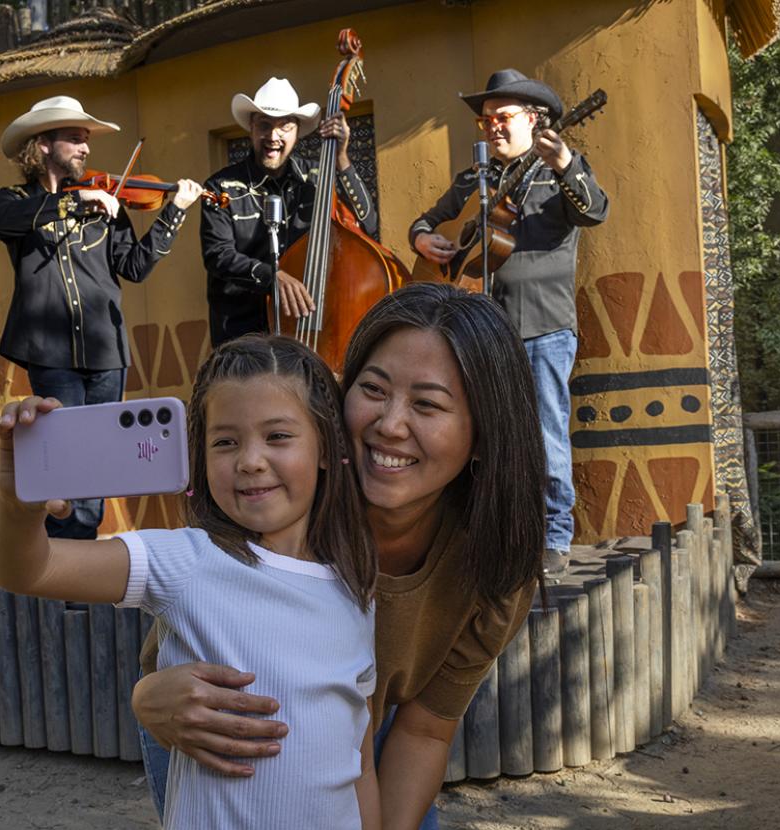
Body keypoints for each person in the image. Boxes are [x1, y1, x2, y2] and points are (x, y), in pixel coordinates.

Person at [133, 282, 547, 830]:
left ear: (485, 431)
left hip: (362, 738)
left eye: (427, 404)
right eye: (373, 389)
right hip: (222, 730)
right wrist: (147, 699)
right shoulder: (288, 498)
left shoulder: (495, 560)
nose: (389, 425)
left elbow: (424, 730)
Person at [0, 336, 381, 829]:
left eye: (278, 436)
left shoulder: (354, 591)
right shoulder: (187, 558)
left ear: (326, 448)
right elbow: (27, 570)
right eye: (225, 441)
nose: (250, 461)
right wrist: (16, 501)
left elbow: (360, 766)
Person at [412, 70, 609, 577]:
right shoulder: (475, 178)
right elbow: (426, 221)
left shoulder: (559, 169)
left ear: (535, 119)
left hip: (543, 325)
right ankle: (497, 535)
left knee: (545, 435)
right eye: (486, 120)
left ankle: (553, 537)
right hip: (483, 331)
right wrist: (422, 240)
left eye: (502, 118)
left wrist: (564, 162)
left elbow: (596, 212)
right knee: (486, 437)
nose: (492, 128)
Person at [0, 95, 203, 540]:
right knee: (66, 457)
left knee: (101, 457)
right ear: (43, 144)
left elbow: (135, 267)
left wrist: (174, 213)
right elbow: (5, 221)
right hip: (50, 351)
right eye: (74, 139)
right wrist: (74, 202)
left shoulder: (108, 202)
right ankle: (64, 561)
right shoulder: (15, 200)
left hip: (106, 348)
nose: (86, 149)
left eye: (87, 141)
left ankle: (79, 561)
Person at [202, 77, 379, 346]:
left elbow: (368, 225)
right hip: (242, 334)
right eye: (264, 125)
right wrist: (272, 276)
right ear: (251, 127)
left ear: (297, 131)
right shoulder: (221, 186)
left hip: (308, 330)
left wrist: (342, 157)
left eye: (284, 126)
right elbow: (218, 255)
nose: (273, 137)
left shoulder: (318, 178)